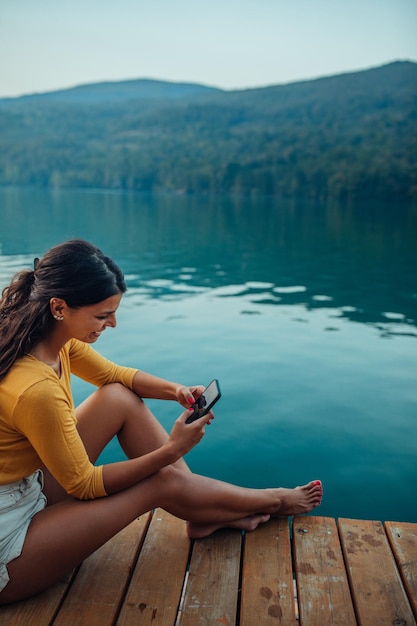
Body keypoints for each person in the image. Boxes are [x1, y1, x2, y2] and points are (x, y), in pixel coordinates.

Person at [0, 239, 323, 604]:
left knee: (118, 397)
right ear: (59, 306)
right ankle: (271, 501)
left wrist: (177, 391)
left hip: (25, 488)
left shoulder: (46, 338)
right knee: (161, 481)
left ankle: (201, 511)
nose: (113, 323)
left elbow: (116, 375)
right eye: (103, 315)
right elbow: (84, 485)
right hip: (7, 541)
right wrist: (172, 450)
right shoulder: (36, 389)